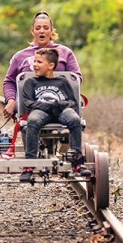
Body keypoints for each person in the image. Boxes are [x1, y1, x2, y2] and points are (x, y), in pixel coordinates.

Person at [18, 48, 85, 182]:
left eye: (39, 62)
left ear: (51, 65)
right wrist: (47, 106)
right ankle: (30, 163)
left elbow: (72, 102)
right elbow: (27, 102)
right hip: (41, 110)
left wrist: (60, 105)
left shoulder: (62, 81)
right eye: (34, 61)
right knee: (33, 120)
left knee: (74, 119)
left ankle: (77, 159)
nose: (34, 65)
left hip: (60, 110)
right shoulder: (31, 82)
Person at [2, 11, 81, 119]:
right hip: (30, 105)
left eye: (46, 27)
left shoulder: (65, 53)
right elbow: (9, 82)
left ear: (51, 30)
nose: (42, 31)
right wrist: (11, 101)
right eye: (38, 28)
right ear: (32, 31)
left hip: (60, 104)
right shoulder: (20, 56)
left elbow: (75, 79)